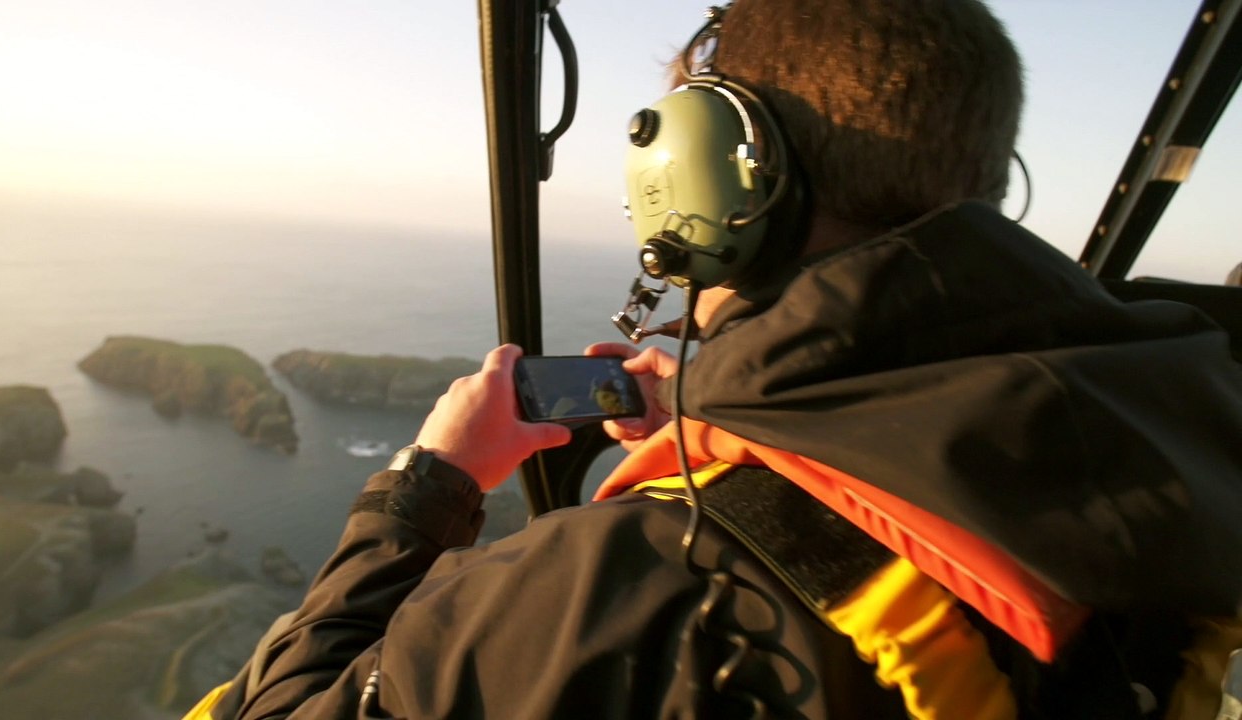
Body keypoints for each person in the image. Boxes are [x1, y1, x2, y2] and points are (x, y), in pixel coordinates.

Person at [197, 1, 1242, 718]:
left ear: (692, 169)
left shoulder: (632, 586)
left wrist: (421, 488)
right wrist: (746, 435)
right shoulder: (1177, 434)